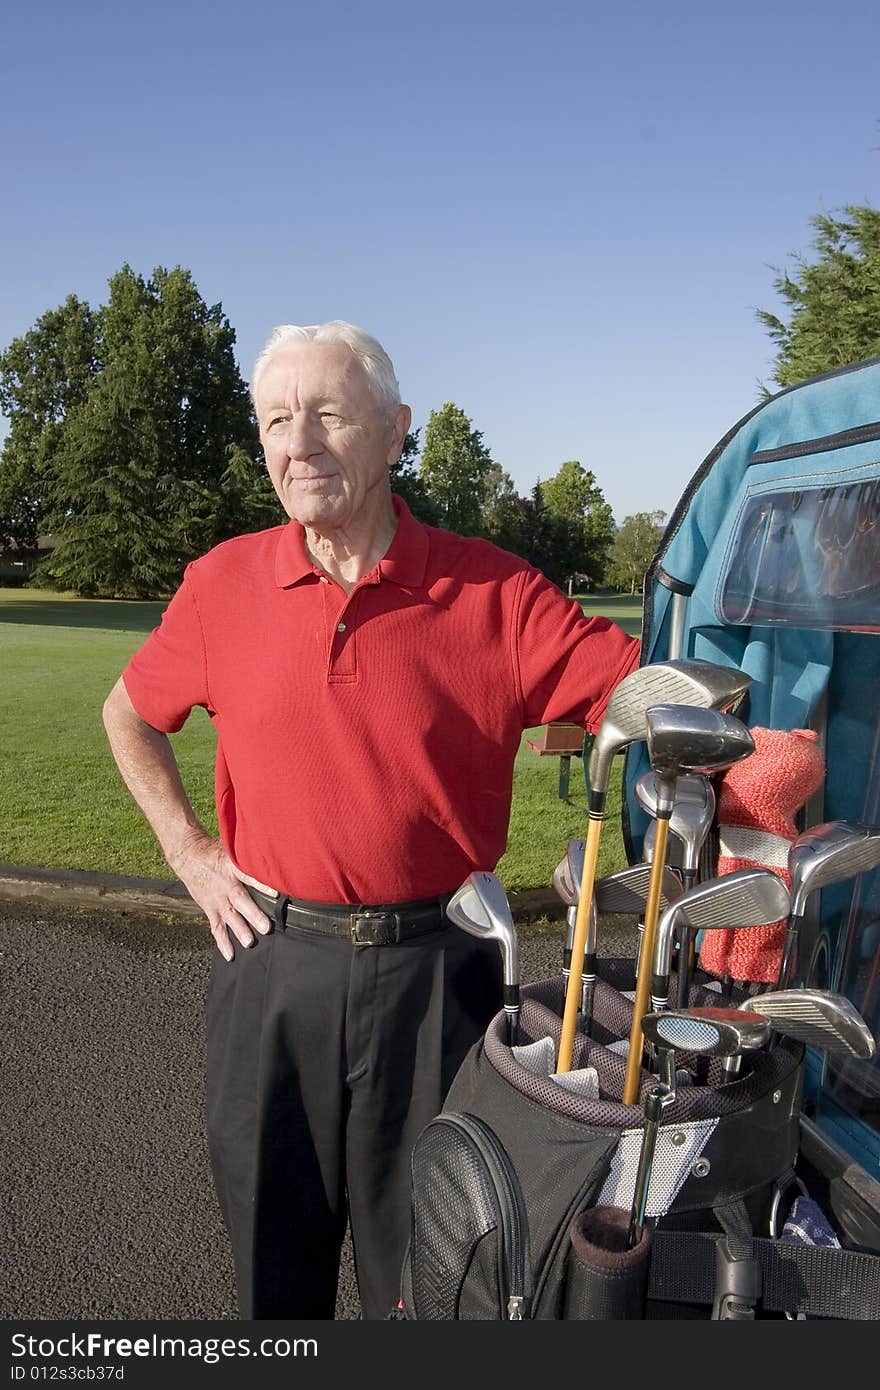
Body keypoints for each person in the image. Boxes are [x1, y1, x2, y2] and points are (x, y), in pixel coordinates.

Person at [102, 320, 640, 1321]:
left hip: (439, 977)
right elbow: (128, 712)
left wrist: (706, 782)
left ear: (396, 432)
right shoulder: (222, 583)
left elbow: (637, 699)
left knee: (438, 1280)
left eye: (327, 414)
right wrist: (189, 852)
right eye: (275, 419)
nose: (297, 441)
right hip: (270, 965)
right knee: (275, 1275)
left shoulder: (495, 590)